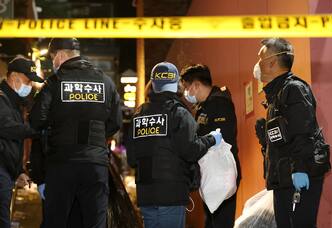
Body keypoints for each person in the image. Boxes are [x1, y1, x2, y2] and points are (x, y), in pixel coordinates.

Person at [29, 38, 122, 228]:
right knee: (94, 221)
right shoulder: (106, 82)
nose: (53, 62)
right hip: (95, 164)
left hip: (62, 163)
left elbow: (37, 120)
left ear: (61, 55)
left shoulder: (54, 83)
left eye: (53, 57)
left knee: (56, 221)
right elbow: (116, 123)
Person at [126, 62, 222, 228]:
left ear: (153, 84)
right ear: (176, 84)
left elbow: (132, 159)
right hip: (171, 192)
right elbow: (191, 151)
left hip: (146, 194)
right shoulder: (179, 113)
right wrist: (212, 139)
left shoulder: (138, 115)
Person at [253, 38, 330, 227]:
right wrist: (266, 139)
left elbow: (304, 133)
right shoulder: (276, 95)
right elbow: (286, 137)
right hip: (284, 178)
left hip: (297, 176)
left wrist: (300, 169)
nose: (257, 64)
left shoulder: (293, 89)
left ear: (272, 62)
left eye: (260, 58)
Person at [180, 64, 241, 228]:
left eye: (186, 87)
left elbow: (223, 138)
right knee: (211, 222)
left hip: (223, 173)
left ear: (196, 85)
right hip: (210, 173)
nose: (186, 93)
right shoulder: (202, 107)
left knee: (221, 222)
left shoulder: (220, 103)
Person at [0, 57, 44, 228]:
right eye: (28, 80)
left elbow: (9, 144)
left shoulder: (13, 102)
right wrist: (38, 130)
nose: (30, 86)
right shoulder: (2, 99)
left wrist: (17, 171)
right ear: (15, 77)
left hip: (5, 170)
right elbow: (8, 128)